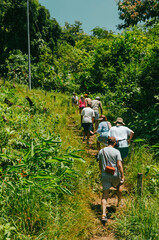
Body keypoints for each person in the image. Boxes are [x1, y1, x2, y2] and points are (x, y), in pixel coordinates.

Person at [97, 136, 124, 222]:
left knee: (105, 195)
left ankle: (103, 214)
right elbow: (119, 165)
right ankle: (119, 203)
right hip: (115, 174)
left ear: (107, 142)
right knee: (119, 185)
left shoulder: (101, 151)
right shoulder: (117, 151)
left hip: (105, 174)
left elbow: (100, 164)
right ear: (115, 143)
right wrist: (122, 176)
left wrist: (102, 172)